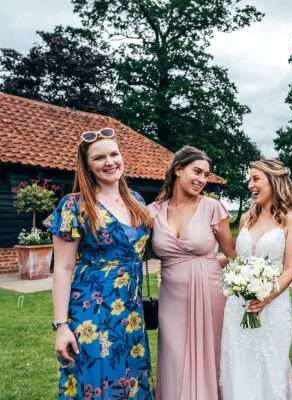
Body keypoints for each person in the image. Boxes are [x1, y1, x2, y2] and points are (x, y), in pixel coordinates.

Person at [46, 127, 154, 399]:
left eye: (114, 154)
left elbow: (141, 250)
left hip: (130, 312)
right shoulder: (73, 205)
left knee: (130, 381)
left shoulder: (137, 201)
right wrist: (61, 327)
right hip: (91, 311)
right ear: (87, 166)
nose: (110, 162)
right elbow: (62, 268)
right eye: (99, 158)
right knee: (94, 380)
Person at [148, 146, 236, 400]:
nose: (202, 179)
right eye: (197, 171)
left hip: (209, 292)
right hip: (171, 295)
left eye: (206, 175)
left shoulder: (212, 207)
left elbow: (231, 253)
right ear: (178, 169)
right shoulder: (153, 212)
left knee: (211, 352)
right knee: (173, 354)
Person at [220, 159, 292, 400]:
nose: (250, 185)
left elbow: (290, 268)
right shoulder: (247, 218)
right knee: (238, 363)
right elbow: (239, 259)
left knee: (271, 366)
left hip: (273, 307)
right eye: (250, 179)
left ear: (274, 181)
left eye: (256, 179)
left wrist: (268, 297)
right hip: (238, 306)